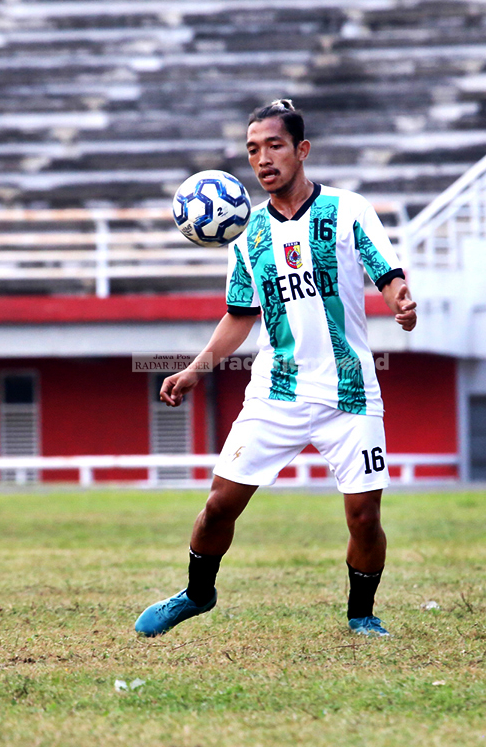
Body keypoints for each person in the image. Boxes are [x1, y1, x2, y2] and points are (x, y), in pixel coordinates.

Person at [135, 98, 417, 638]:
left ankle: (362, 615)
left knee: (364, 517)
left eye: (274, 146)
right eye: (252, 150)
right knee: (219, 506)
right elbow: (240, 317)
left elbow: (389, 274)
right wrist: (195, 368)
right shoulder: (246, 236)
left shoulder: (348, 210)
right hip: (276, 392)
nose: (262, 159)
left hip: (350, 393)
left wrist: (400, 300)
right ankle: (196, 594)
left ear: (301, 150)